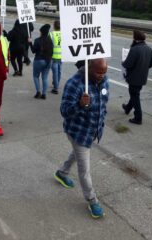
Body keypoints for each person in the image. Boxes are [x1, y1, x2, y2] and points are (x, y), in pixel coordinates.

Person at [54, 58, 109, 219]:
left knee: (78, 154)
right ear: (89, 67)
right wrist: (79, 104)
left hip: (93, 131)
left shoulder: (105, 81)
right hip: (78, 132)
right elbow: (64, 111)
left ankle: (62, 173)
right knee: (84, 170)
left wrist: (100, 123)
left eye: (104, 72)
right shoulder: (74, 83)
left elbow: (103, 104)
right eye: (99, 72)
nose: (102, 76)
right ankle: (92, 200)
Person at [121, 30, 152, 125]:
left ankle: (138, 117)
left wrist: (123, 62)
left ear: (135, 39)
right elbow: (150, 64)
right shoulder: (149, 48)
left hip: (134, 78)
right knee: (135, 94)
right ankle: (127, 108)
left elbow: (128, 64)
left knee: (135, 96)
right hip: (143, 77)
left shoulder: (134, 49)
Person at [29, 24, 53, 100]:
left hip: (39, 60)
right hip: (48, 61)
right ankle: (44, 94)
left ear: (41, 32)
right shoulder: (50, 41)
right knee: (45, 77)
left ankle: (38, 92)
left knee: (36, 76)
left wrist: (30, 43)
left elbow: (33, 51)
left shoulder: (37, 40)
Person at [49, 20, 62, 94]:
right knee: (59, 71)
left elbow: (48, 45)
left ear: (54, 26)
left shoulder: (51, 34)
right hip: (61, 56)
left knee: (55, 72)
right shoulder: (63, 34)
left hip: (54, 55)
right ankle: (56, 83)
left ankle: (56, 88)